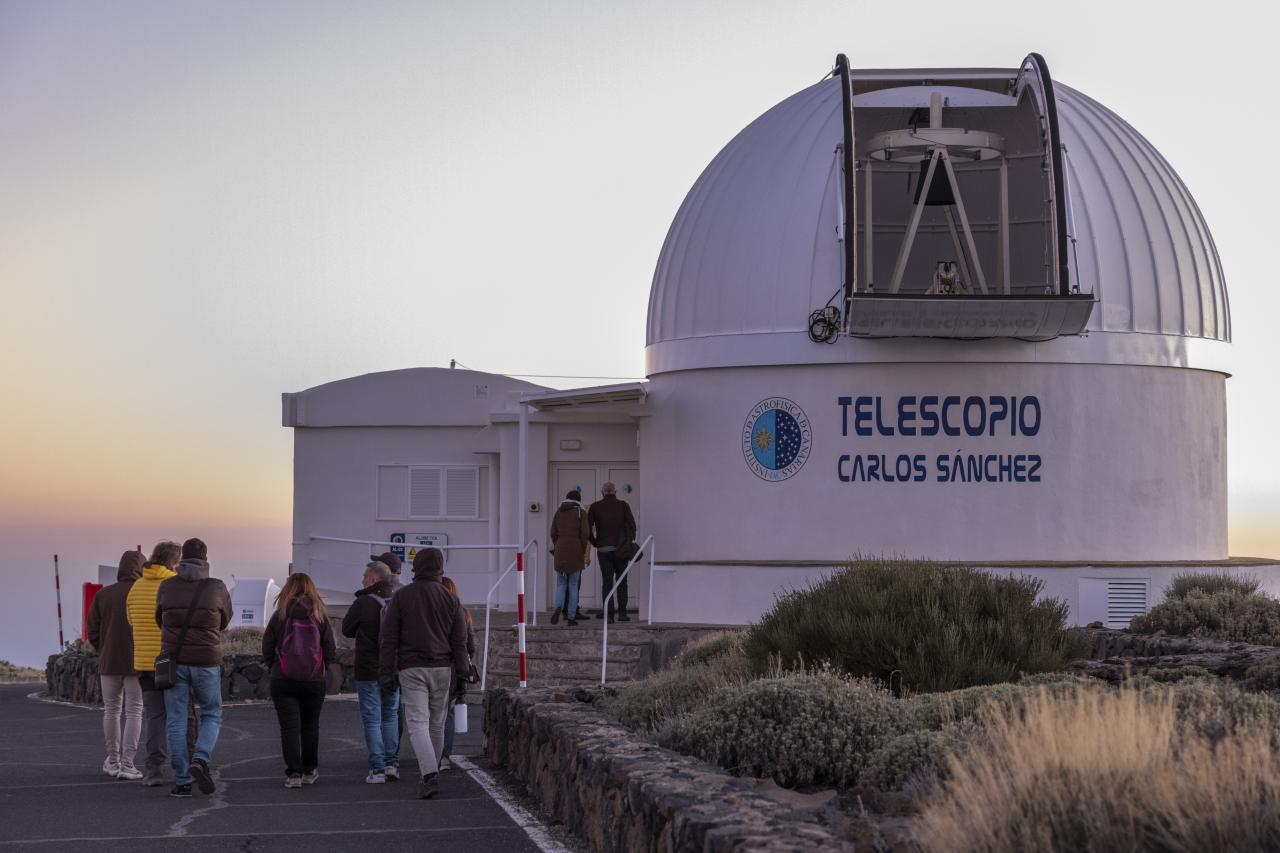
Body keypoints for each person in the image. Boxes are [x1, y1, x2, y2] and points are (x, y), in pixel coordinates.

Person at [378, 547, 468, 799]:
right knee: (437, 724)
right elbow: (459, 641)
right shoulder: (451, 599)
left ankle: (429, 775)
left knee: (417, 722)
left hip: (411, 667)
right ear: (440, 569)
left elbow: (389, 638)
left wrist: (386, 672)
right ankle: (434, 769)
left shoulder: (402, 597)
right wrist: (462, 674)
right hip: (442, 668)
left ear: (416, 568)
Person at [154, 537, 232, 798]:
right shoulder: (217, 587)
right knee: (211, 713)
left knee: (176, 720)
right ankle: (201, 757)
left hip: (174, 660)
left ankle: (183, 781)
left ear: (181, 560)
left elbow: (159, 620)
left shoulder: (166, 586)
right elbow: (224, 621)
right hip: (206, 661)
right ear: (205, 559)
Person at [127, 540, 193, 787]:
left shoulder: (136, 587)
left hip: (143, 662)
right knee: (181, 715)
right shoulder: (173, 586)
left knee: (155, 716)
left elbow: (130, 620)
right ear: (175, 562)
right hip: (169, 659)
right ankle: (185, 766)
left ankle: (154, 769)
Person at [262, 572, 336, 789]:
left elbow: (267, 646)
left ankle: (293, 774)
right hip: (313, 680)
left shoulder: (280, 615)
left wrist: (274, 666)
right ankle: (309, 770)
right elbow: (330, 648)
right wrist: (323, 667)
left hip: (283, 679)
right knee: (310, 726)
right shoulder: (319, 615)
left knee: (289, 728)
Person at [87, 549, 145, 780]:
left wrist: (105, 648)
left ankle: (112, 761)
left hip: (109, 662)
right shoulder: (143, 593)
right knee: (134, 712)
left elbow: (92, 630)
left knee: (111, 711)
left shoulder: (104, 595)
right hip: (137, 662)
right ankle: (128, 764)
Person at [341, 560, 400, 783]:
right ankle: (392, 764)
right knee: (390, 716)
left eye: (365, 576)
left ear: (374, 579)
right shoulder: (399, 600)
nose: (362, 580)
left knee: (372, 719)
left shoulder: (363, 603)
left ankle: (377, 769)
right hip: (392, 669)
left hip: (368, 669)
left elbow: (347, 630)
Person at [438, 576, 476, 771]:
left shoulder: (434, 613)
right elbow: (471, 646)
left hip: (438, 666)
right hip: (456, 670)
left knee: (433, 713)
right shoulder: (464, 613)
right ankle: (444, 756)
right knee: (449, 713)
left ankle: (431, 754)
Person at [588, 482, 638, 623]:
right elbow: (632, 525)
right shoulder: (623, 505)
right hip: (621, 550)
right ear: (615, 492)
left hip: (603, 550)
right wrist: (628, 541)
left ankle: (609, 616)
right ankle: (622, 614)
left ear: (602, 492)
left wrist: (595, 542)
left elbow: (587, 528)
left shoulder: (595, 506)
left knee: (607, 582)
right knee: (622, 581)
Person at [549, 490, 590, 626]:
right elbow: (585, 533)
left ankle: (558, 607)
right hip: (576, 549)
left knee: (561, 583)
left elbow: (553, 532)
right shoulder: (581, 513)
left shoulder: (558, 512)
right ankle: (571, 617)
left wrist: (558, 544)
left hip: (560, 549)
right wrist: (582, 549)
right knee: (573, 585)